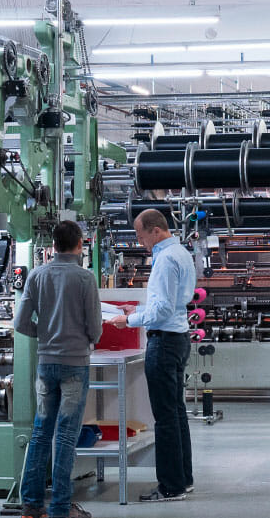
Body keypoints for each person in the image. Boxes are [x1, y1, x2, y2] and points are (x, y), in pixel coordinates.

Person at [14, 220, 102, 518]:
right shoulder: (85, 279)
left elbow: (21, 323)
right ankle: (61, 508)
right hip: (75, 365)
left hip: (46, 365)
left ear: (53, 246)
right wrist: (82, 338)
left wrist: (47, 334)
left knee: (40, 434)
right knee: (65, 436)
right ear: (80, 245)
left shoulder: (37, 276)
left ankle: (31, 505)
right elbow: (95, 328)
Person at [109, 208, 195, 502]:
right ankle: (183, 479)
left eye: (140, 234)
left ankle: (171, 487)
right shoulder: (180, 253)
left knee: (165, 417)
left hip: (165, 341)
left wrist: (128, 320)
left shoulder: (165, 259)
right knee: (176, 413)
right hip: (178, 337)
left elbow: (162, 311)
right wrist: (139, 310)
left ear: (155, 230)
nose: (138, 241)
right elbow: (167, 305)